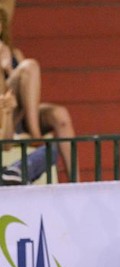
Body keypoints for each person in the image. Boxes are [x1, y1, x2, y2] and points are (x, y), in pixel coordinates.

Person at [0, 8, 78, 180]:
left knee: (60, 115)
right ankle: (34, 134)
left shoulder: (14, 53)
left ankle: (76, 183)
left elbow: (26, 90)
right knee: (29, 66)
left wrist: (8, 68)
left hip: (21, 115)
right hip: (3, 119)